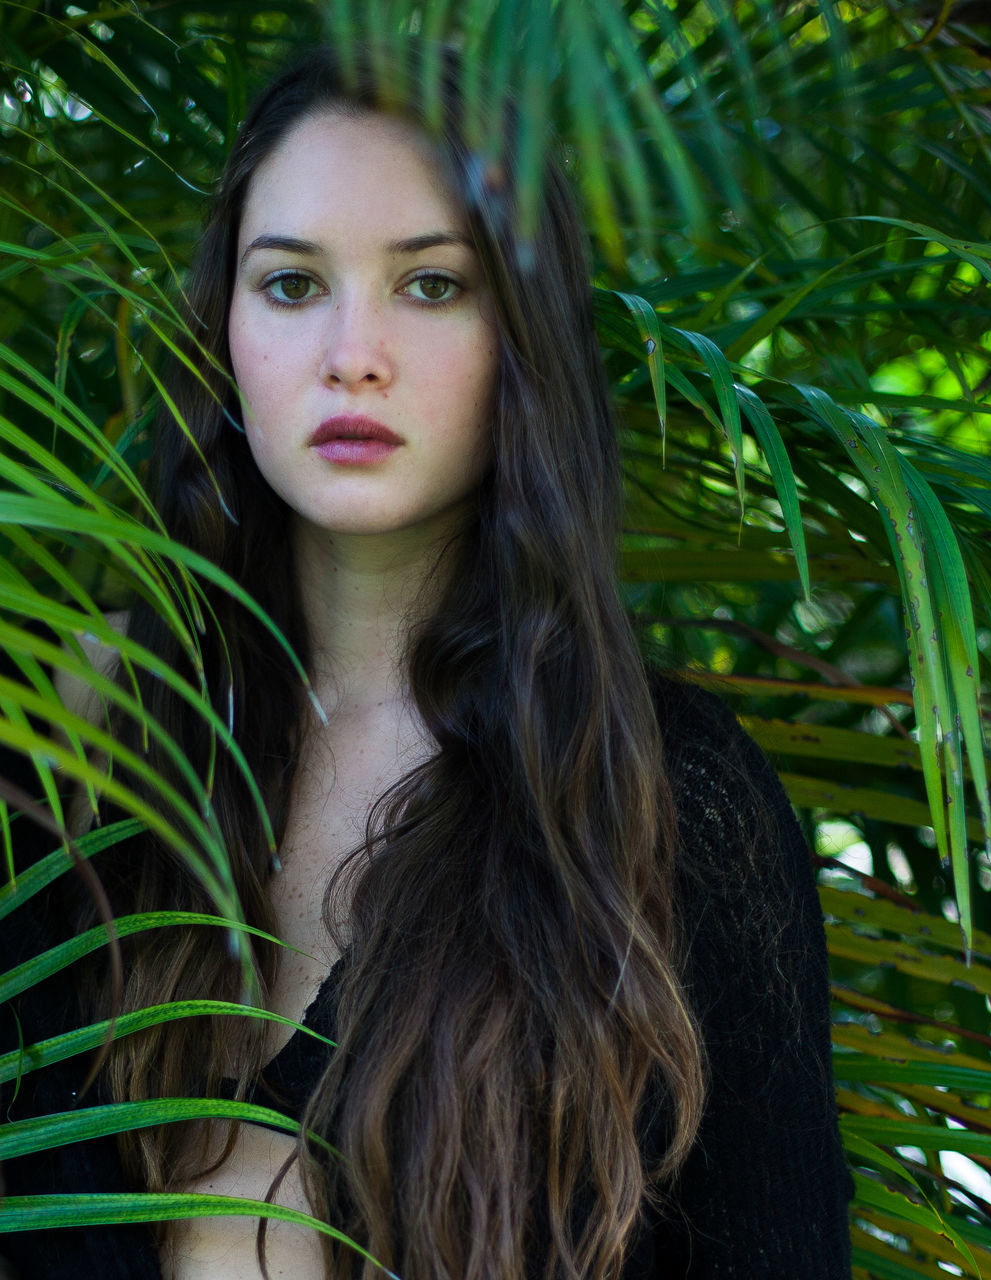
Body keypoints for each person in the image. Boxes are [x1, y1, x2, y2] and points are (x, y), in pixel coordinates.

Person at [0, 43, 853, 1280]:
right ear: (225, 332)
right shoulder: (68, 736)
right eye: (292, 285)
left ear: (524, 337)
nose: (354, 352)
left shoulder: (667, 798)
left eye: (432, 286)